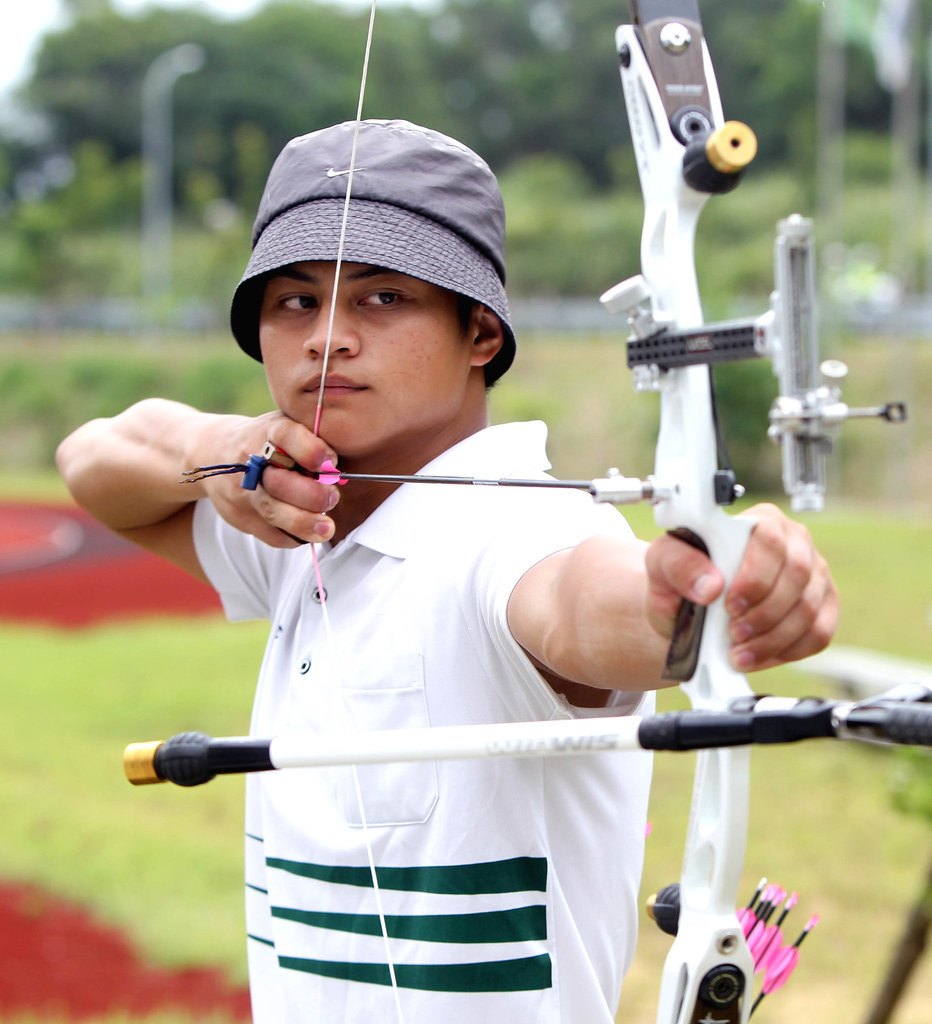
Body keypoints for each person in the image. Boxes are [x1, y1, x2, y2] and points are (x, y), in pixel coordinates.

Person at [57, 119, 837, 1023]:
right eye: (294, 302)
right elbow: (95, 458)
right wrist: (218, 448)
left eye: (383, 298)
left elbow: (585, 603)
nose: (327, 339)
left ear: (480, 332)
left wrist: (695, 595)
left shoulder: (511, 526)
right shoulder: (300, 524)